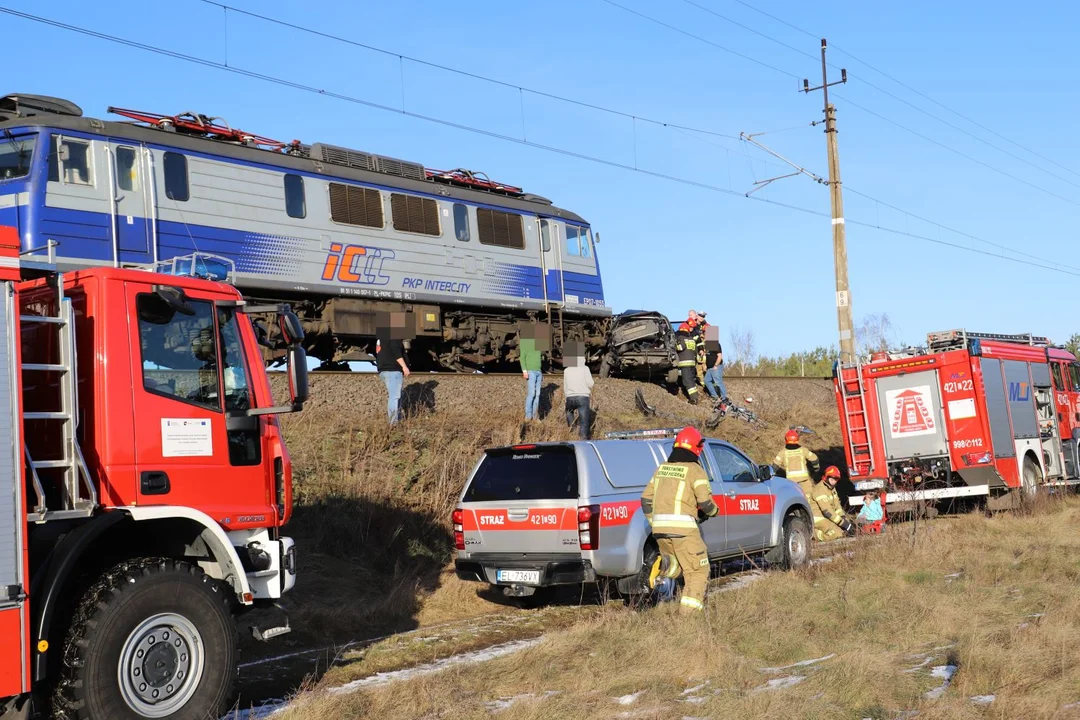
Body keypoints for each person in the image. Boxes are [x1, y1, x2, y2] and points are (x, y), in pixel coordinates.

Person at [640, 426, 718, 613]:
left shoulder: (662, 469)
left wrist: (654, 522)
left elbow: (645, 500)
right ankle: (688, 618)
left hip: (661, 532)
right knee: (698, 571)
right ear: (696, 448)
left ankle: (659, 569)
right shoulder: (695, 470)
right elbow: (705, 503)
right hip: (684, 533)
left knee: (676, 566)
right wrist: (713, 511)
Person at [375, 311, 411, 424]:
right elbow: (397, 353)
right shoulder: (394, 336)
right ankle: (393, 423)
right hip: (393, 370)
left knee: (395, 396)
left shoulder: (381, 337)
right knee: (395, 397)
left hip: (384, 370)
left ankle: (396, 420)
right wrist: (405, 367)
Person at [810, 466, 855, 542]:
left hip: (828, 517)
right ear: (826, 477)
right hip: (819, 518)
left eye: (836, 479)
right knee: (837, 534)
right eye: (832, 479)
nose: (834, 481)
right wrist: (842, 523)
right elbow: (827, 512)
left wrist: (843, 517)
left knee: (844, 529)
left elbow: (837, 506)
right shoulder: (820, 489)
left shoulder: (832, 488)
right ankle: (813, 534)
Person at [774, 429, 818, 497]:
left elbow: (775, 466)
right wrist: (816, 469)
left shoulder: (782, 453)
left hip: (791, 483)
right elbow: (815, 459)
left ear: (786, 439)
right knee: (807, 500)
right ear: (797, 439)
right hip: (805, 482)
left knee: (794, 499)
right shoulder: (803, 450)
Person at [563, 341, 594, 439]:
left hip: (570, 397)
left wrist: (567, 397)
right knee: (584, 423)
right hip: (582, 398)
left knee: (569, 411)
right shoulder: (585, 368)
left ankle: (572, 430)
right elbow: (591, 384)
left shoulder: (566, 370)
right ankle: (583, 439)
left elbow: (565, 387)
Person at [519, 324, 545, 421]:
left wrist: (541, 372)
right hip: (531, 371)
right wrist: (524, 370)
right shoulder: (525, 342)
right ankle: (528, 416)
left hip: (538, 371)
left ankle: (535, 417)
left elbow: (538, 359)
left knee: (537, 395)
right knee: (531, 394)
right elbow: (522, 357)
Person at [674, 328, 700, 405]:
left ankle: (693, 399)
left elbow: (681, 347)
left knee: (687, 381)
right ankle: (695, 396)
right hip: (692, 363)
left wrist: (675, 346)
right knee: (691, 380)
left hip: (685, 363)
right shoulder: (691, 339)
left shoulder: (681, 338)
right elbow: (695, 352)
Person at [702, 324, 727, 401]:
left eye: (705, 333)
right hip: (710, 368)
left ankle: (724, 398)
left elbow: (719, 356)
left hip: (715, 367)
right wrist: (706, 365)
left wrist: (716, 365)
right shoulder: (708, 344)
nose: (704, 334)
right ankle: (714, 396)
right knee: (706, 381)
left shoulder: (716, 343)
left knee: (718, 381)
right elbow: (708, 356)